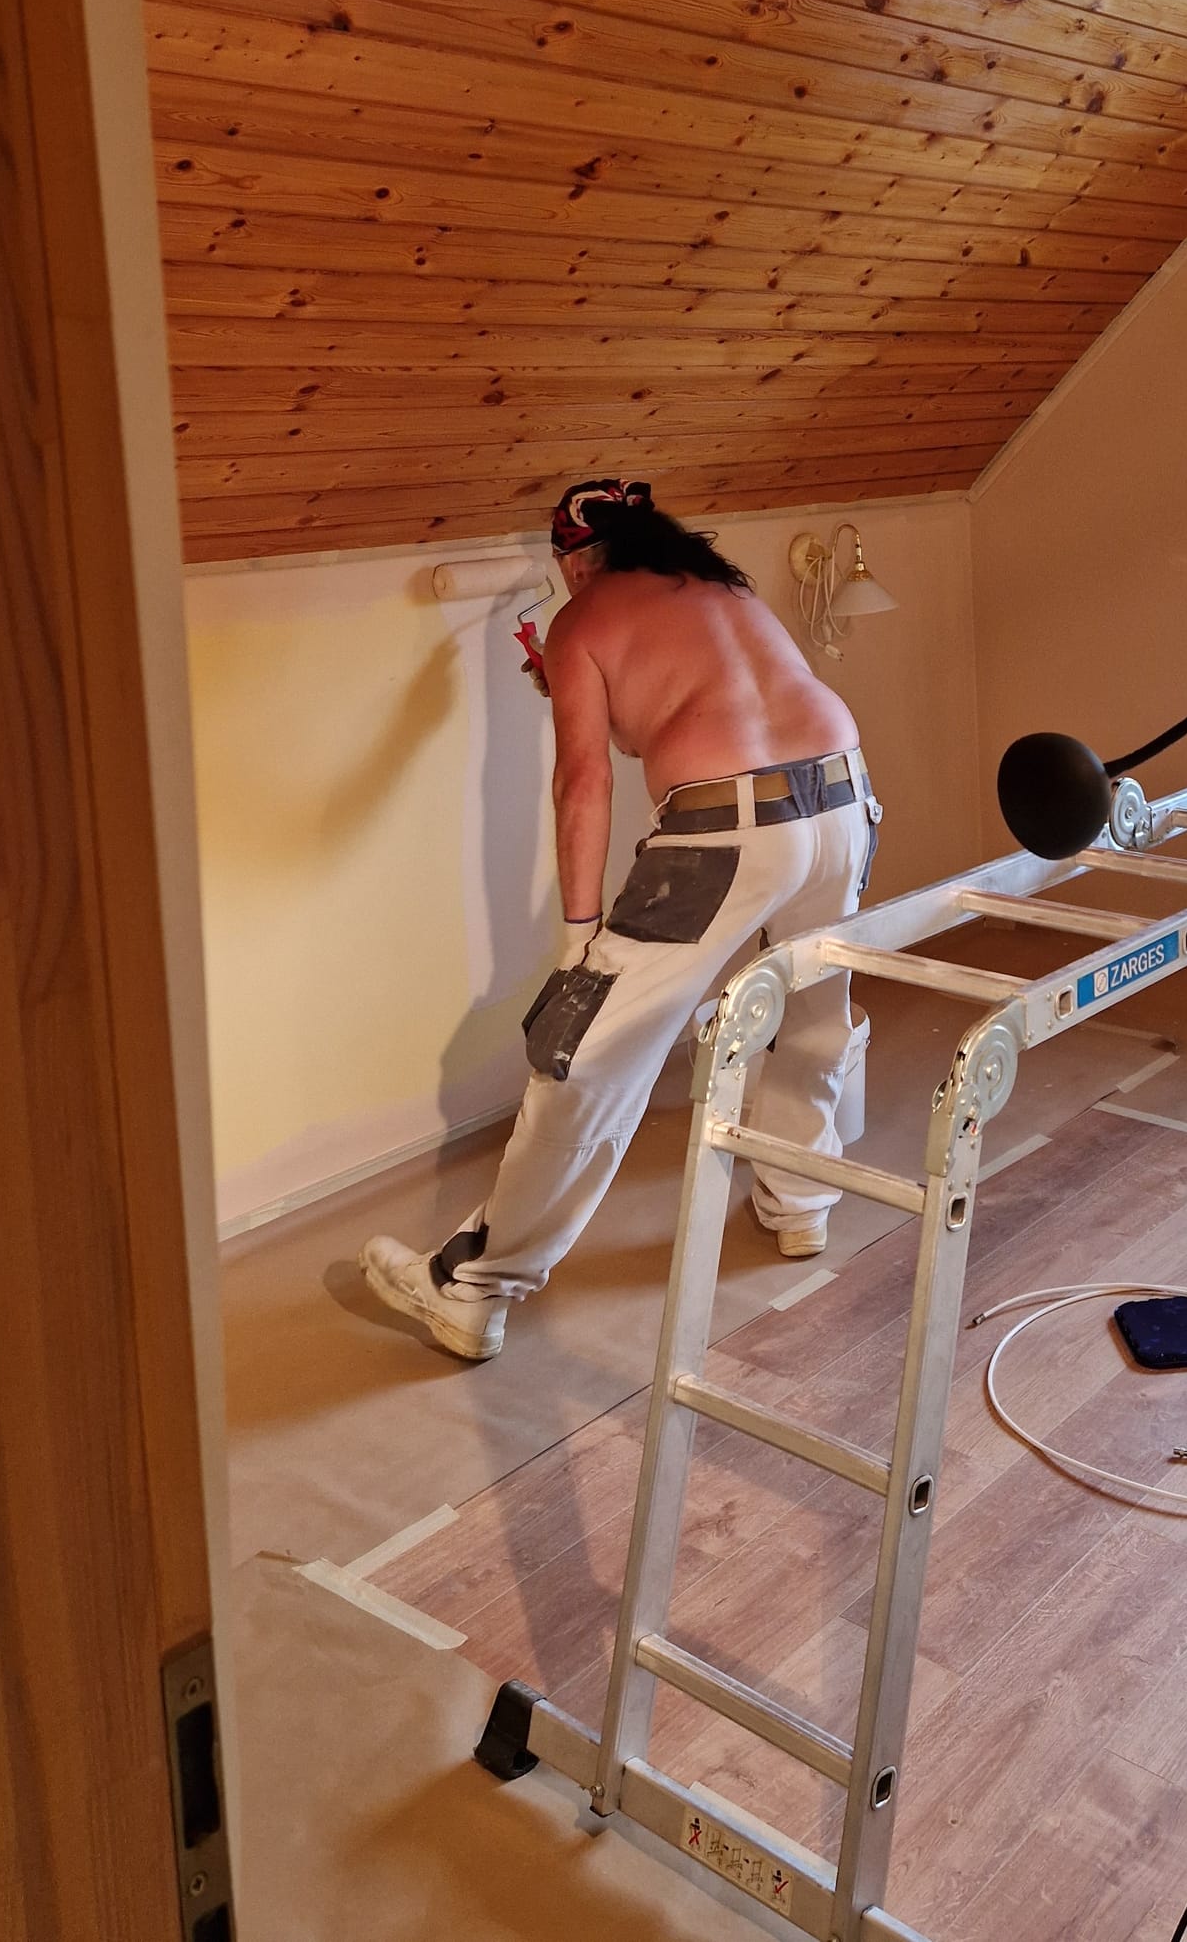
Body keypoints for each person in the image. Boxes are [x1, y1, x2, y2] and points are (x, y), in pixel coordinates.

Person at [361, 479, 879, 1361]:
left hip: (727, 828)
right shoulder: (724, 587)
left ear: (574, 563)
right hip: (843, 795)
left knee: (590, 1055)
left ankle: (472, 1288)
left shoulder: (583, 620)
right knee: (813, 1008)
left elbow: (586, 781)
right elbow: (675, 718)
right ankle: (801, 1203)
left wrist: (580, 939)